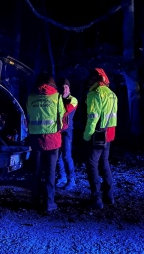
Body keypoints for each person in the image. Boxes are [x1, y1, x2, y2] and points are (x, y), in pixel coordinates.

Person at [26, 72, 65, 212]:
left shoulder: (30, 97)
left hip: (36, 140)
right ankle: (49, 202)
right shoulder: (57, 96)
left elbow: (28, 116)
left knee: (36, 170)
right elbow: (61, 119)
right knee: (50, 171)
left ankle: (35, 199)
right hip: (53, 141)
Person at [83, 68, 118, 209]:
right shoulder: (112, 95)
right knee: (104, 163)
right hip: (109, 134)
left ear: (96, 80)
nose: (89, 81)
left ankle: (96, 199)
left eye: (91, 78)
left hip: (97, 135)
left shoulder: (94, 94)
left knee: (92, 165)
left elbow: (93, 118)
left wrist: (86, 136)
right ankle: (109, 196)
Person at [55, 78, 78, 190]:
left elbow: (66, 110)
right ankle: (62, 177)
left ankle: (71, 179)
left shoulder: (73, 100)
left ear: (69, 88)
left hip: (66, 131)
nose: (64, 89)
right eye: (63, 87)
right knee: (58, 156)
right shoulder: (57, 98)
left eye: (66, 87)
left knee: (66, 155)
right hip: (56, 130)